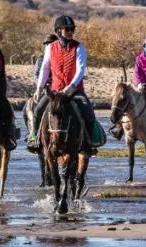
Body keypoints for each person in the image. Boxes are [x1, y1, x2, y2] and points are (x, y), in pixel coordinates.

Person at [27, 15, 101, 154]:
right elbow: (45, 68)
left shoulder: (79, 47)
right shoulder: (50, 47)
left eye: (72, 29)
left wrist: (71, 86)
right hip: (55, 91)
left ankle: (89, 143)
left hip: (74, 91)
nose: (70, 32)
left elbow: (80, 70)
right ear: (58, 31)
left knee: (88, 112)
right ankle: (35, 138)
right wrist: (39, 88)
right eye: (67, 29)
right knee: (37, 110)